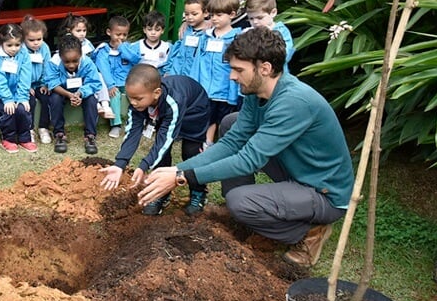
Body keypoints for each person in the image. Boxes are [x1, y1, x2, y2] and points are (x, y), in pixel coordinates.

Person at [137, 27, 354, 267]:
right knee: (231, 123)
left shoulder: (293, 102)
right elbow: (232, 143)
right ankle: (245, 211)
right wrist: (178, 169)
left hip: (323, 193)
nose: (231, 76)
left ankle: (307, 232)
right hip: (295, 169)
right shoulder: (256, 92)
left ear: (265, 68)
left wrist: (181, 177)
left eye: (238, 70)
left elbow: (248, 160)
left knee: (239, 202)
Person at [99, 64, 210, 216]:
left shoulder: (174, 101)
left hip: (194, 111)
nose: (133, 103)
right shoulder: (138, 102)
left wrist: (144, 165)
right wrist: (120, 163)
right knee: (162, 154)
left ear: (157, 93)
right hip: (164, 110)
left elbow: (166, 139)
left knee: (190, 152)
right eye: (130, 98)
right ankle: (162, 193)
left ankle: (198, 192)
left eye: (137, 99)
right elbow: (132, 132)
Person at [190, 0, 242, 148]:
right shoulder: (205, 37)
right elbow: (198, 61)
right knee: (208, 115)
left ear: (232, 14)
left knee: (223, 117)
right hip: (206, 88)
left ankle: (219, 144)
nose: (214, 19)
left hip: (226, 89)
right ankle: (207, 142)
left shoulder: (237, 37)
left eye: (219, 15)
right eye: (212, 15)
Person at [45, 35, 103, 154]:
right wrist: (69, 95)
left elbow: (94, 82)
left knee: (91, 100)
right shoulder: (53, 62)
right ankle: (59, 134)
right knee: (54, 99)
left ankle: (90, 135)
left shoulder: (87, 62)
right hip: (62, 91)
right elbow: (52, 83)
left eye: (75, 61)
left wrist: (80, 93)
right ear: (60, 56)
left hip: (81, 91)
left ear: (81, 55)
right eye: (66, 62)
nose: (71, 65)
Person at [0, 24, 36, 153]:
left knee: (23, 109)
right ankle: (8, 139)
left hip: (18, 92)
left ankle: (25, 138)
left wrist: (22, 97)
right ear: (2, 43)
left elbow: (25, 75)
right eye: (9, 45)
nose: (14, 49)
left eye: (17, 45)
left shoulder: (23, 54)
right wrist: (7, 99)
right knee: (9, 111)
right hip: (0, 93)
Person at [58, 13, 116, 120]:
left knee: (98, 77)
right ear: (69, 30)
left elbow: (92, 56)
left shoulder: (87, 43)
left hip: (89, 71)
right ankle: (97, 106)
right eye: (78, 31)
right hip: (73, 76)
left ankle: (105, 104)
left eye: (84, 31)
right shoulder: (65, 44)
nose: (82, 34)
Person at [93, 15, 132, 139]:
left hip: (127, 82)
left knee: (138, 94)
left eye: (124, 35)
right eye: (118, 34)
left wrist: (122, 48)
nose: (121, 38)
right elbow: (104, 69)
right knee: (114, 95)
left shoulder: (128, 48)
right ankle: (116, 124)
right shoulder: (103, 50)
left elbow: (135, 59)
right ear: (109, 32)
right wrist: (110, 85)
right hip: (112, 84)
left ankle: (137, 121)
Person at [244, 0, 295, 73]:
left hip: (277, 76)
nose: (255, 22)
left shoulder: (281, 32)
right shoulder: (248, 32)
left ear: (273, 13)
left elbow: (285, 55)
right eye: (251, 18)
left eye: (260, 18)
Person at [21, 15, 52, 144]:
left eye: (39, 39)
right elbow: (19, 70)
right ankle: (29, 129)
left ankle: (43, 128)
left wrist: (46, 84)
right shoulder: (21, 49)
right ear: (24, 38)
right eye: (31, 40)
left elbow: (48, 66)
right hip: (25, 85)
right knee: (31, 102)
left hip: (40, 83)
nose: (36, 43)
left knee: (46, 99)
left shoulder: (44, 48)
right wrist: (26, 87)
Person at [165, 0, 209, 78]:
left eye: (194, 14)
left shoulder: (208, 34)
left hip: (194, 78)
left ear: (206, 13)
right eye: (186, 14)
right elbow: (174, 52)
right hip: (176, 74)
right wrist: (168, 70)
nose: (190, 17)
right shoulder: (184, 31)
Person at [121, 10, 170, 76]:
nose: (153, 33)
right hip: (139, 78)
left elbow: (170, 65)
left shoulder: (167, 47)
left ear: (162, 30)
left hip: (160, 79)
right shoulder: (136, 46)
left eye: (157, 29)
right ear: (144, 30)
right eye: (149, 29)